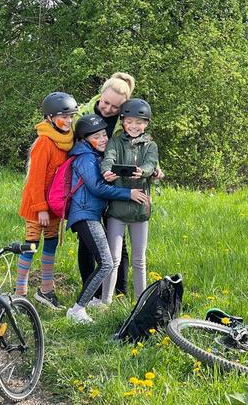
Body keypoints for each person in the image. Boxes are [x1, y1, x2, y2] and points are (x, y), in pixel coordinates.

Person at [65, 114, 149, 324]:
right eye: (96, 136)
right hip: (85, 214)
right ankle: (77, 309)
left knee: (106, 261)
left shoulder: (95, 156)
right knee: (106, 263)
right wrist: (128, 194)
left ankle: (92, 301)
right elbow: (97, 188)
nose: (103, 139)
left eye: (104, 134)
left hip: (90, 214)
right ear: (84, 139)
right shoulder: (85, 158)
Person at [15, 92, 78, 310]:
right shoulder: (44, 142)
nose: (68, 121)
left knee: (51, 244)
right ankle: (20, 293)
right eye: (64, 117)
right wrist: (40, 208)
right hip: (37, 206)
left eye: (71, 117)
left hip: (54, 206)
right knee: (31, 245)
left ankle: (46, 290)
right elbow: (35, 180)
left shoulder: (68, 141)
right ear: (50, 117)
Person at [75, 73, 136, 296]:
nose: (108, 109)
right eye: (105, 102)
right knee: (87, 241)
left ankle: (119, 292)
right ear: (100, 94)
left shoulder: (126, 121)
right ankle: (91, 291)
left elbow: (139, 145)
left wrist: (153, 167)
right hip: (87, 183)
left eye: (115, 107)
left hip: (115, 182)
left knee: (116, 237)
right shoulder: (82, 114)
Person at [100, 99, 159, 303]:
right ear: (123, 121)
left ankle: (141, 302)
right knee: (114, 259)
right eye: (130, 121)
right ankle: (106, 301)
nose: (134, 126)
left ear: (146, 124)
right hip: (117, 211)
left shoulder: (150, 145)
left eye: (139, 122)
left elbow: (151, 164)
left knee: (139, 260)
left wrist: (144, 171)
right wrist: (107, 171)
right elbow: (109, 158)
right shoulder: (115, 141)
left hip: (140, 210)